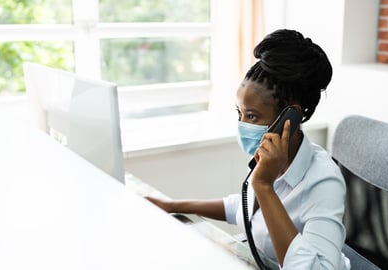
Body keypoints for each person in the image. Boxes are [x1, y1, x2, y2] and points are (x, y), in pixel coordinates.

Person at [146, 29, 350, 270]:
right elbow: (243, 208)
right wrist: (173, 206)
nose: (243, 125)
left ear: (290, 118)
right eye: (240, 113)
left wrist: (263, 187)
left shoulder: (323, 181)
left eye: (252, 116)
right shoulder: (273, 160)